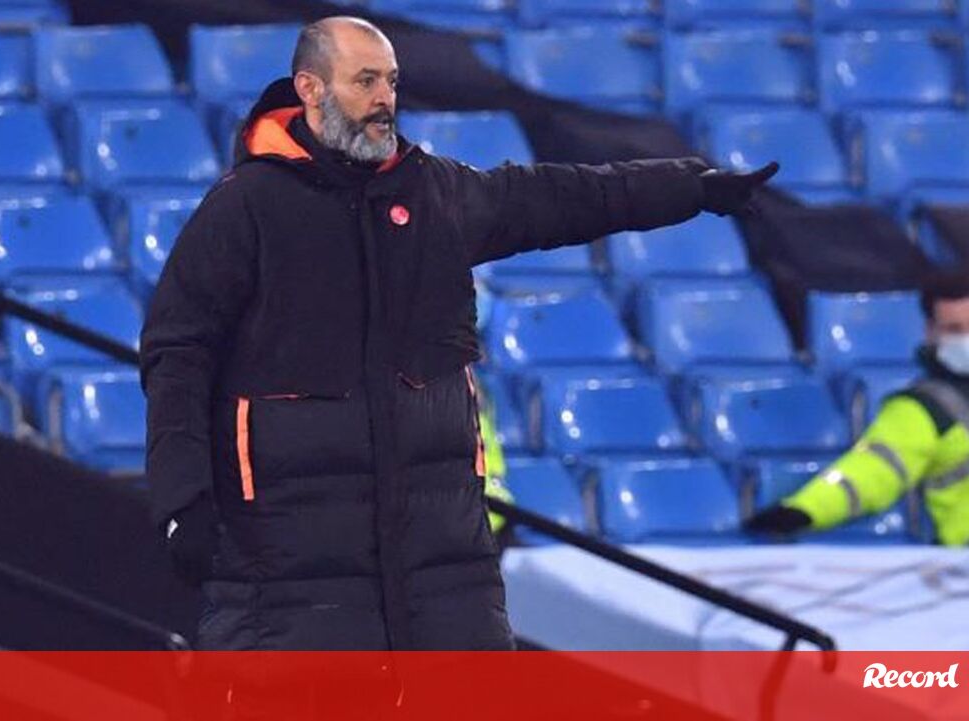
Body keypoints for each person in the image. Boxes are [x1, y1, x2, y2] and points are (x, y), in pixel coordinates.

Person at [140, 15, 778, 650]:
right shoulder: (245, 207)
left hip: (445, 573)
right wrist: (182, 499)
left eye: (391, 81)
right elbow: (177, 352)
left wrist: (689, 187)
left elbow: (564, 197)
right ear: (310, 88)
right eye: (365, 81)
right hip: (288, 574)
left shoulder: (434, 192)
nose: (385, 99)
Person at [746, 272, 969, 547]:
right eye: (954, 329)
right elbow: (873, 470)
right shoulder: (926, 409)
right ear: (931, 333)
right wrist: (805, 510)